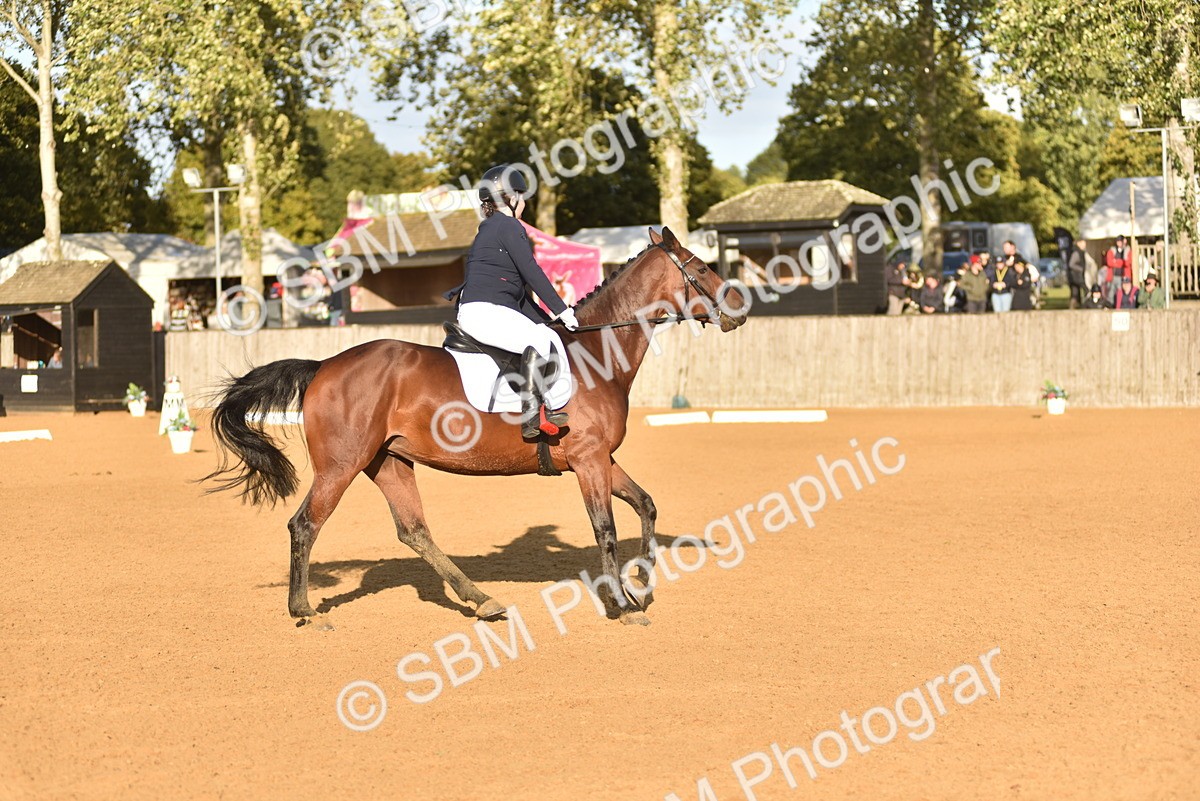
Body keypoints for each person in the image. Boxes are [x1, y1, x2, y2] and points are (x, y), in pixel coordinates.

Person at [445, 164, 579, 439]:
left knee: (542, 332)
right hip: (487, 311)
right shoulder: (508, 225)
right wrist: (562, 310)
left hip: (483, 309)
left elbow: (519, 295)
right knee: (540, 342)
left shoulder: (491, 227)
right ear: (509, 197)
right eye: (521, 194)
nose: (525, 201)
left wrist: (548, 320)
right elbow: (531, 271)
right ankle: (532, 417)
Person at [1105, 235, 1134, 299]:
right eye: (1118, 241)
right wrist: (1121, 262)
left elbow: (1127, 263)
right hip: (1113, 276)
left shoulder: (1128, 250)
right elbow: (1109, 263)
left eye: (1120, 241)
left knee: (1121, 294)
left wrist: (1115, 261)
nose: (1119, 243)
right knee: (1111, 294)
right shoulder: (1112, 250)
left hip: (1124, 277)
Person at [1067, 239, 1093, 308]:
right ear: (1079, 243)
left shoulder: (1079, 251)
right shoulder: (1076, 252)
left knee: (1075, 294)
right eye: (1083, 243)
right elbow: (1071, 264)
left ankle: (1074, 308)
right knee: (1086, 290)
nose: (1084, 245)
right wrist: (1081, 269)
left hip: (1075, 277)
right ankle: (1087, 305)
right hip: (1076, 277)